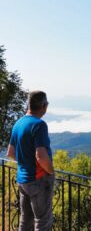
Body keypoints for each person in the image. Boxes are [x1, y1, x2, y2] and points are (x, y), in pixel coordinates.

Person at [7, 91, 55, 231]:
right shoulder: (39, 125)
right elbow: (41, 156)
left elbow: (10, 152)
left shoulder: (19, 123)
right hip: (38, 180)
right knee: (42, 221)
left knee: (26, 220)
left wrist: (26, 162)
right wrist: (51, 171)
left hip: (23, 180)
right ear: (44, 106)